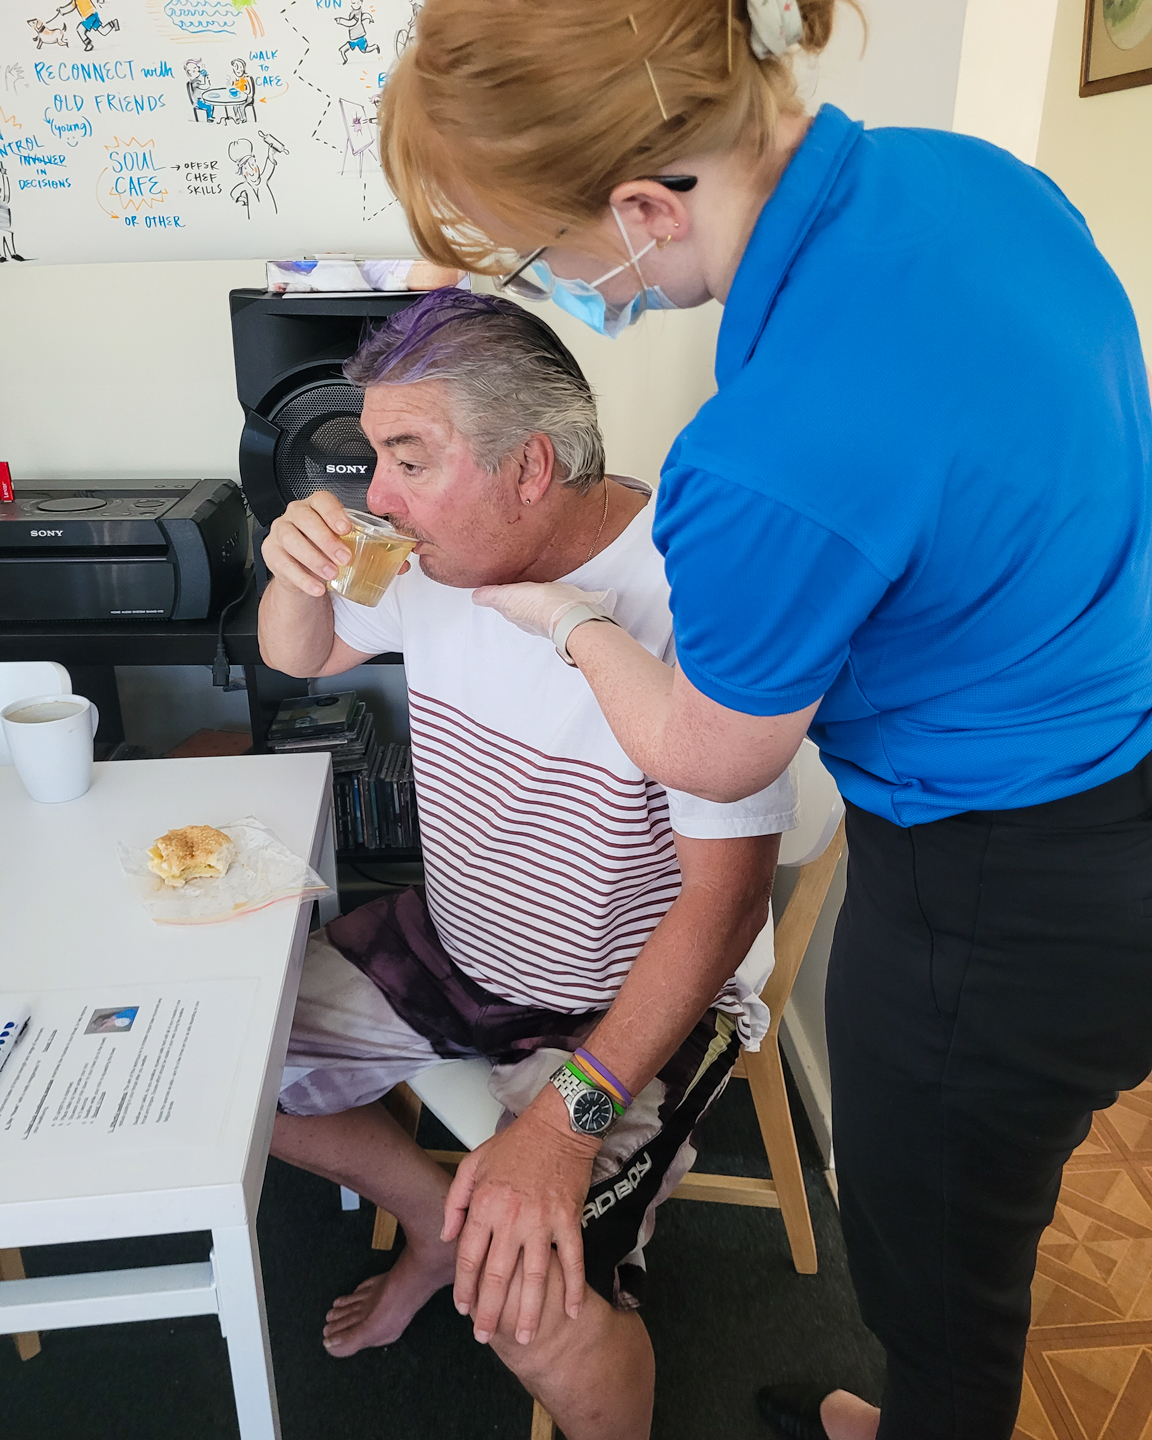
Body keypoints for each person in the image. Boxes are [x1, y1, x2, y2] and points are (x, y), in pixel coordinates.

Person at [374, 3, 1152, 1439]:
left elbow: (712, 754)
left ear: (640, 208)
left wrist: (574, 624)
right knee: (974, 1236)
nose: (557, 284)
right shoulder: (973, 183)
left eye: (545, 256)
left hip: (998, 894)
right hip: (1117, 763)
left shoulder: (763, 454)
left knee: (940, 1280)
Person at [257, 290, 796, 1440]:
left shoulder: (700, 602)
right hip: (453, 947)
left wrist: (563, 1124)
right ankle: (439, 1214)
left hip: (620, 1002)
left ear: (531, 466)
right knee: (219, 1075)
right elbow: (299, 659)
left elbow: (727, 902)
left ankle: (483, 1250)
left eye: (408, 457)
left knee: (530, 1314)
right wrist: (294, 577)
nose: (376, 497)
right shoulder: (429, 559)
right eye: (372, 457)